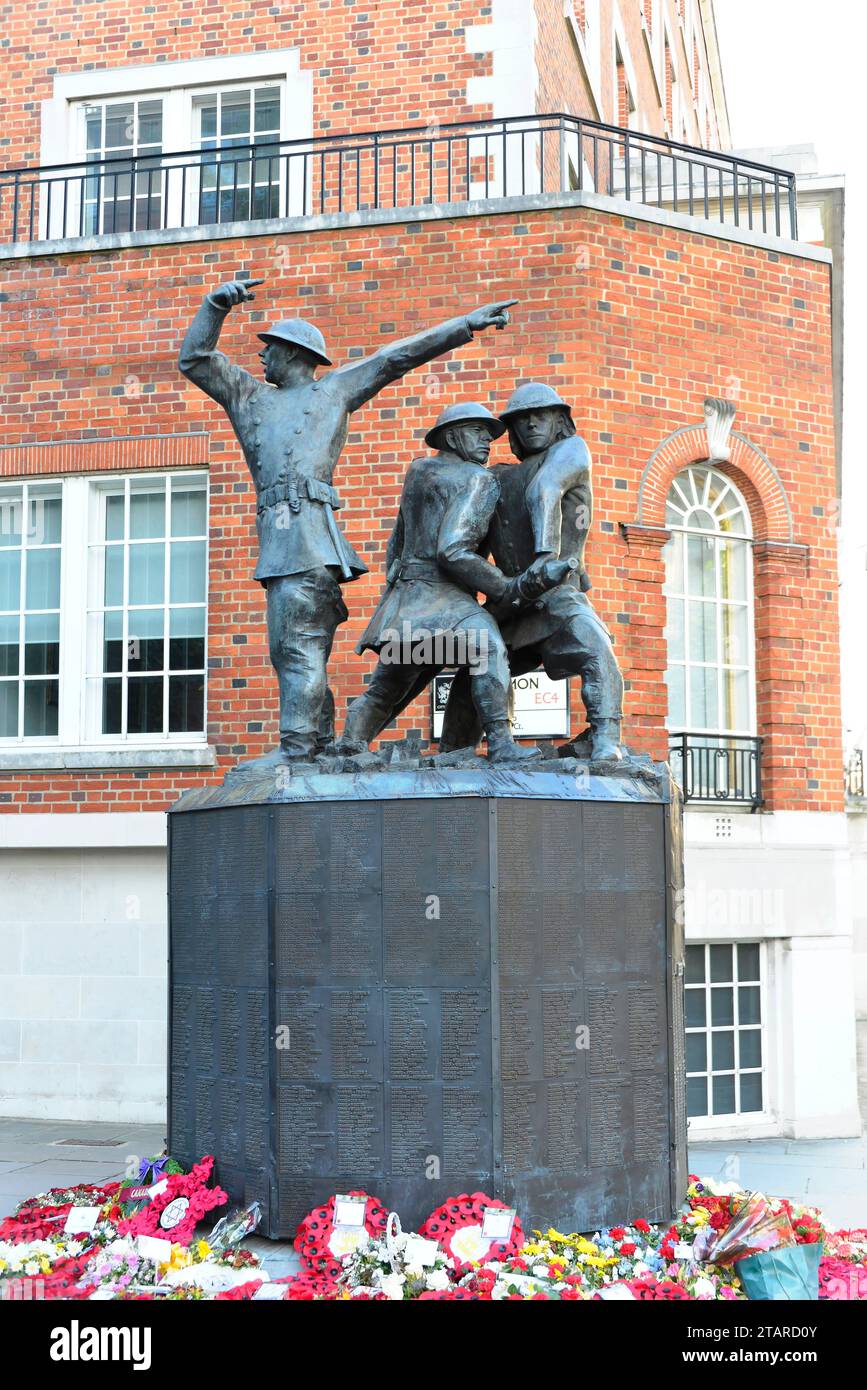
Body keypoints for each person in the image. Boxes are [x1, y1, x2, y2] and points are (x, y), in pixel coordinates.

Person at [179, 276, 517, 765]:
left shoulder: (332, 393)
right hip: (283, 546)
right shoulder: (247, 397)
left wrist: (464, 326)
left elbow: (395, 358)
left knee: (298, 651)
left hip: (307, 543)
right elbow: (193, 359)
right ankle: (320, 747)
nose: (261, 357)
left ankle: (298, 752)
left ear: (294, 354)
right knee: (299, 654)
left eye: (269, 348)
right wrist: (215, 305)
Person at [338, 402, 572, 762]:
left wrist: (396, 589)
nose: (487, 441)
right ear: (451, 436)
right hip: (445, 598)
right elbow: (453, 550)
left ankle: (348, 744)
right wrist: (506, 587)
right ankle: (502, 744)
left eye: (490, 434)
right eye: (477, 432)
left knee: (393, 680)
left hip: (406, 601)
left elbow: (396, 544)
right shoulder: (478, 479)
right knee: (489, 647)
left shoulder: (418, 471)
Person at [439, 382, 624, 761]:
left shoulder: (571, 450)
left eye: (541, 415)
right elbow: (470, 545)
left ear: (561, 421)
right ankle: (457, 751)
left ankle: (606, 738)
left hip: (556, 593)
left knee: (594, 647)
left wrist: (545, 558)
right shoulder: (497, 478)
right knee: (474, 671)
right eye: (521, 420)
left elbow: (546, 488)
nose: (531, 424)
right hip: (514, 598)